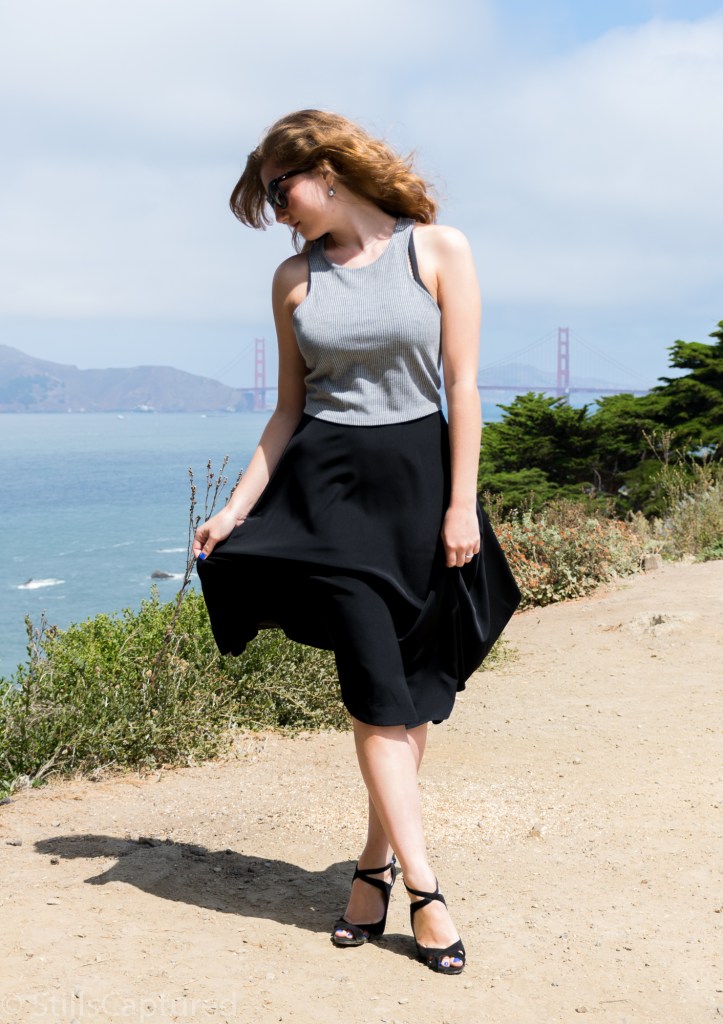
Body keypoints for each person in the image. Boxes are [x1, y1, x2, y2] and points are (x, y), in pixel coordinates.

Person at [194, 109, 520, 975]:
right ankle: (425, 891)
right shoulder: (292, 280)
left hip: (419, 488)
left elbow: (462, 385)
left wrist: (460, 506)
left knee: (407, 696)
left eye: (280, 191)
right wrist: (232, 511)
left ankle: (370, 870)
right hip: (328, 497)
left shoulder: (437, 250)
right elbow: (288, 411)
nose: (275, 210)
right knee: (375, 690)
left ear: (328, 171)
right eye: (264, 198)